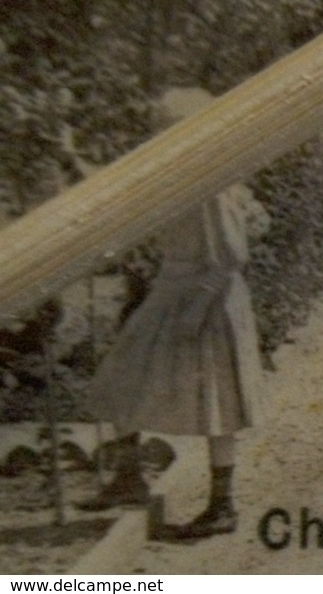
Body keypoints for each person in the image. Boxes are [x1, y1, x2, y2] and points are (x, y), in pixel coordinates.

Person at [77, 87, 269, 542]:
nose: (155, 137)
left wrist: (194, 314)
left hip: (209, 296)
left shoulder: (209, 179)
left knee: (218, 402)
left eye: (162, 129)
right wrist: (72, 158)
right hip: (176, 287)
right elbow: (121, 210)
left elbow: (230, 253)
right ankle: (129, 477)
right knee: (121, 376)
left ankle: (222, 507)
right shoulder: (175, 174)